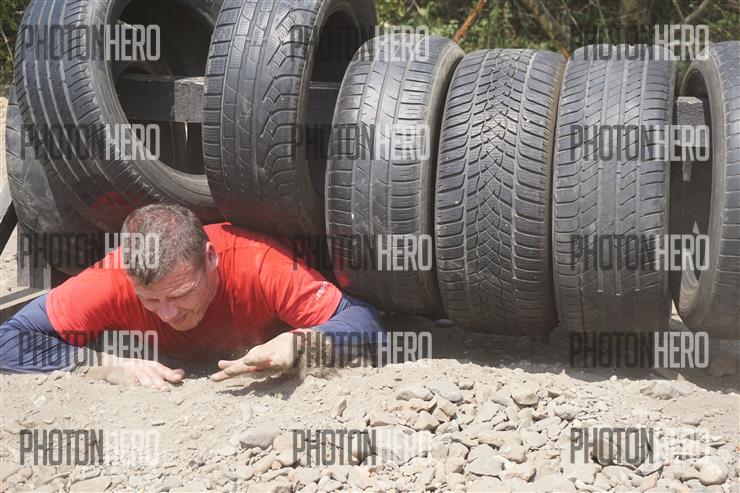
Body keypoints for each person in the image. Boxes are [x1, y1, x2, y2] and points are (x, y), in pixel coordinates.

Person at [0, 204, 385, 389]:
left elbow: (366, 321)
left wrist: (301, 344)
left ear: (211, 259)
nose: (168, 314)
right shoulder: (111, 280)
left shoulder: (260, 264)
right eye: (150, 301)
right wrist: (102, 365)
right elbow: (9, 339)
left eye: (181, 294)